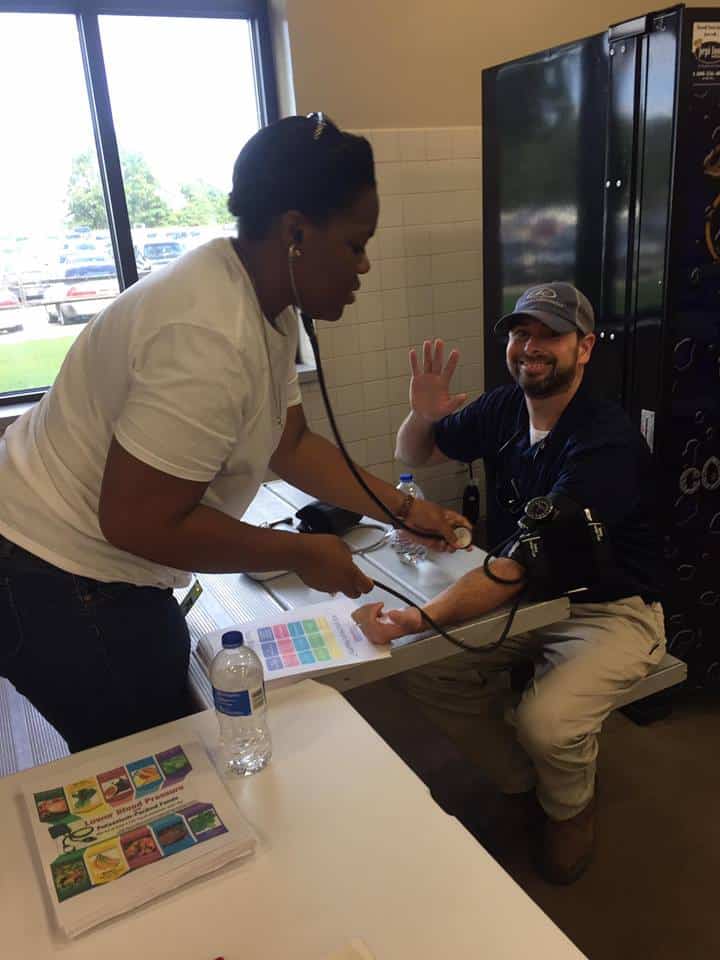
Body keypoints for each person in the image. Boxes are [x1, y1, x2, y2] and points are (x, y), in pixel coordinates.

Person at [0, 113, 468, 754]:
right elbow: (137, 521)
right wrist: (303, 554)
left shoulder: (260, 299)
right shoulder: (209, 334)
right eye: (355, 243)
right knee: (157, 766)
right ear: (296, 231)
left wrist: (405, 510)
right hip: (56, 571)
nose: (364, 265)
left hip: (90, 560)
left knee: (171, 710)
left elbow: (291, 443)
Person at [352, 282, 666, 884]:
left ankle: (570, 810)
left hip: (611, 608)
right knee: (427, 667)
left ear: (586, 347)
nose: (532, 347)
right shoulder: (503, 408)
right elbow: (412, 454)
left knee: (546, 722)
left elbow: (517, 566)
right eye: (523, 333)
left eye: (551, 334)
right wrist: (423, 415)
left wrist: (421, 616)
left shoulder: (604, 441)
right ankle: (524, 781)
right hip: (528, 595)